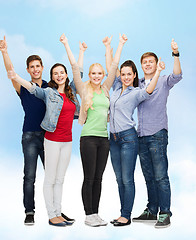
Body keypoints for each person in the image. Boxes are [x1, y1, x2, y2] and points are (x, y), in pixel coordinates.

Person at [0, 36, 82, 225]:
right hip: (29, 136)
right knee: (30, 175)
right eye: (32, 67)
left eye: (38, 66)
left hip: (49, 137)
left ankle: (56, 211)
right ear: (28, 70)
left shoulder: (50, 87)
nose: (35, 69)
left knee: (53, 176)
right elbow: (11, 72)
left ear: (43, 68)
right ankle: (30, 211)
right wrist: (5, 52)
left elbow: (67, 87)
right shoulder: (24, 87)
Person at [60, 33, 127, 227]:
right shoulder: (83, 88)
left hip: (103, 139)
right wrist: (67, 44)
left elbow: (114, 67)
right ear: (89, 76)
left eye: (100, 73)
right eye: (93, 73)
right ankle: (88, 215)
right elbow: (74, 68)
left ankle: (95, 213)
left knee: (99, 178)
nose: (97, 76)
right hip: (88, 138)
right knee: (89, 177)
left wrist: (118, 44)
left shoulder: (106, 88)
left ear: (103, 76)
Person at [108, 58, 165, 227]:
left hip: (128, 139)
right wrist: (110, 47)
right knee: (119, 179)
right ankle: (122, 213)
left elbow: (148, 90)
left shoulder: (136, 92)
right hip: (113, 139)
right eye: (123, 74)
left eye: (129, 74)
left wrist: (158, 72)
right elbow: (111, 66)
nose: (125, 77)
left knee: (127, 179)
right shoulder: (116, 88)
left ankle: (126, 215)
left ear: (134, 76)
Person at [132, 39, 182, 228]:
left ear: (155, 64)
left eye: (150, 62)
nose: (147, 64)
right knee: (148, 176)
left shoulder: (163, 81)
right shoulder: (138, 84)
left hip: (158, 134)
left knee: (161, 176)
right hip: (141, 135)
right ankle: (152, 210)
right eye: (144, 62)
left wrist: (175, 54)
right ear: (142, 66)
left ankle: (165, 212)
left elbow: (177, 75)